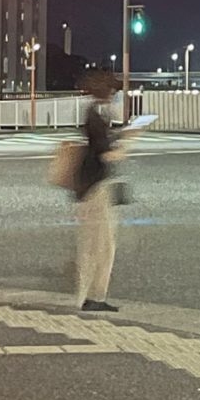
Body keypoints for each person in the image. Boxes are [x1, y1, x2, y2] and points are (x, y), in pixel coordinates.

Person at [74, 71, 124, 312]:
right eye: (113, 91)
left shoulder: (92, 114)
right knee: (103, 244)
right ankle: (94, 297)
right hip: (97, 186)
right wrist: (127, 143)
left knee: (95, 244)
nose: (114, 95)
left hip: (90, 186)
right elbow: (106, 154)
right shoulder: (96, 118)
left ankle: (91, 295)